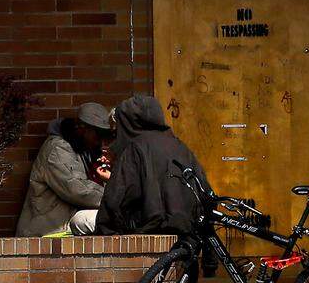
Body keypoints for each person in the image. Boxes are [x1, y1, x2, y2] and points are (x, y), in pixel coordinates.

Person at [95, 95, 209, 236]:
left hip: (147, 228)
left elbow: (117, 202)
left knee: (79, 220)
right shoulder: (179, 146)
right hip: (188, 226)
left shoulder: (135, 148)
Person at [16, 102, 113, 237]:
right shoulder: (57, 149)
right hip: (45, 235)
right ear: (82, 128)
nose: (100, 142)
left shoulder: (83, 150)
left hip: (65, 231)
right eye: (98, 135)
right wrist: (116, 198)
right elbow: (77, 189)